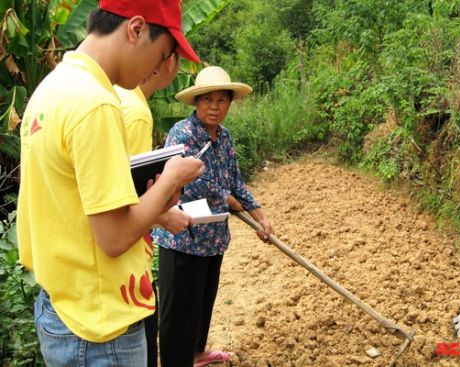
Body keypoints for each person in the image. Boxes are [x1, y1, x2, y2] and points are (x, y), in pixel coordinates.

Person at [16, 0, 204, 365]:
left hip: (64, 307)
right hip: (99, 329)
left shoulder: (54, 86)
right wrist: (170, 180)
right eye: (162, 53)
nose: (158, 68)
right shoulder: (96, 104)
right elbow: (115, 238)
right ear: (135, 30)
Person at [151, 66, 273, 367]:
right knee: (178, 311)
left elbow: (235, 180)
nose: (214, 107)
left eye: (221, 101)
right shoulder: (183, 133)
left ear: (229, 104)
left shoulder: (225, 137)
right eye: (208, 100)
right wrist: (229, 200)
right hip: (182, 237)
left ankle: (195, 353)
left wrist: (260, 215)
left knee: (202, 303)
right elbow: (193, 182)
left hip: (213, 238)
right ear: (196, 102)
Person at [116, 52, 193, 367]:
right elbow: (125, 208)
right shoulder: (134, 111)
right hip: (124, 286)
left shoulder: (113, 97)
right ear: (169, 62)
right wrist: (165, 210)